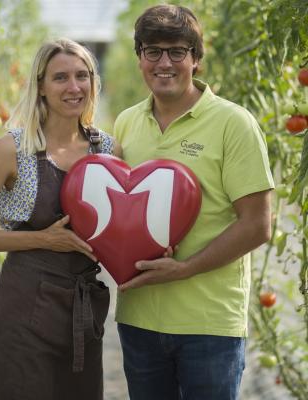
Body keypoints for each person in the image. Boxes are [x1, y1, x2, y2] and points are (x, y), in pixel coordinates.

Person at [113, 5, 274, 400]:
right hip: (139, 320)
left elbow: (257, 224)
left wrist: (184, 269)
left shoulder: (233, 124)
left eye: (177, 52)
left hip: (209, 325)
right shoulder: (126, 124)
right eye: (152, 51)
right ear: (139, 59)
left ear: (196, 60)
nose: (164, 62)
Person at [0, 38, 121, 400]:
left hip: (81, 319)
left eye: (82, 76)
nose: (74, 87)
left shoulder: (106, 149)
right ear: (40, 86)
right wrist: (43, 239)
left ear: (93, 80)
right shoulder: (13, 149)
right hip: (20, 319)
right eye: (60, 78)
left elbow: (121, 227)